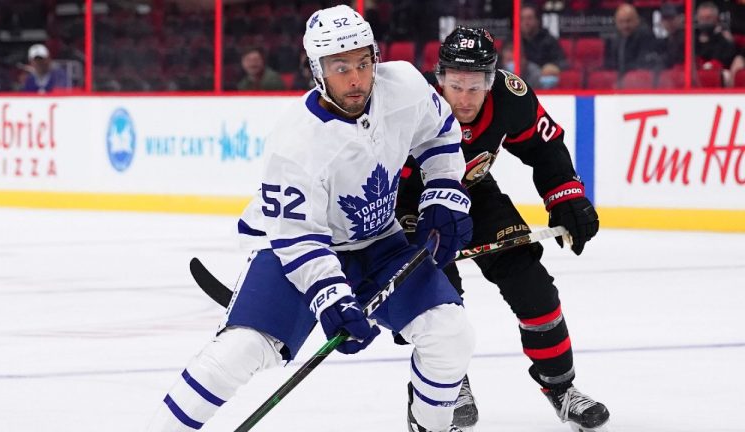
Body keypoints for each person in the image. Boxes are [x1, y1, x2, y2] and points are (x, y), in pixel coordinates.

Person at [147, 5, 475, 432]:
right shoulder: (295, 142)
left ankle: (430, 426)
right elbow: (300, 240)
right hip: (288, 246)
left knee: (451, 333)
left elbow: (439, 132)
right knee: (243, 349)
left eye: (362, 62)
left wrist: (444, 193)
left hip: (377, 240)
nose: (356, 78)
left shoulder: (406, 86)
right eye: (340, 68)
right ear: (317, 70)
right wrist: (331, 297)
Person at [397, 27, 610, 431]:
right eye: (455, 85)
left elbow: (545, 146)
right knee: (436, 303)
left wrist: (566, 197)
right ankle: (445, 388)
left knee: (532, 285)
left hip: (473, 191)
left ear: (491, 81)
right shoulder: (409, 102)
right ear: (439, 78)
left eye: (475, 87)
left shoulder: (511, 98)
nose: (463, 97)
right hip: (408, 203)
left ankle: (561, 388)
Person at [695, 1, 745, 86]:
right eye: (702, 18)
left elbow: (726, 60)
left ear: (716, 19)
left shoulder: (724, 41)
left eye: (708, 18)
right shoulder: (692, 39)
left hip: (720, 82)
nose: (705, 22)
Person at [603, 3, 659, 74]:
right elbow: (608, 64)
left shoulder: (646, 36)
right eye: (621, 22)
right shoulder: (613, 38)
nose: (625, 26)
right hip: (618, 79)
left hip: (638, 79)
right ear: (616, 23)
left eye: (628, 21)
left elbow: (642, 64)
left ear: (637, 21)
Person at [520, 4, 568, 70]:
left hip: (542, 77)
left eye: (529, 18)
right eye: (522, 19)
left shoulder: (549, 40)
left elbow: (562, 62)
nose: (525, 22)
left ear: (537, 21)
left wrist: (551, 67)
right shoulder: (512, 39)